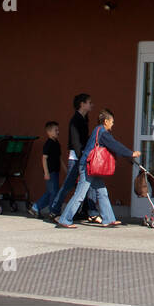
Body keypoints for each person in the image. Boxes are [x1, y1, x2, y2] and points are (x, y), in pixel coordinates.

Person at [57, 108, 140, 228]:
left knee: (102, 192)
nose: (113, 124)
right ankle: (65, 219)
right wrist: (130, 153)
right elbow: (115, 145)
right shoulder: (102, 132)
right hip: (88, 167)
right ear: (106, 121)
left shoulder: (98, 130)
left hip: (92, 167)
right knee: (80, 194)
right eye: (112, 121)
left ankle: (109, 219)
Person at [46, 93, 99, 222]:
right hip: (76, 158)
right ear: (82, 104)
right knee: (68, 185)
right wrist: (83, 157)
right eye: (89, 102)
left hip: (82, 156)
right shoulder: (75, 120)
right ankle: (54, 211)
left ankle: (89, 211)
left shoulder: (85, 119)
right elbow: (75, 142)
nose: (91, 105)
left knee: (87, 185)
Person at [29, 121, 61, 219]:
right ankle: (52, 212)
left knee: (51, 192)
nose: (58, 132)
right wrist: (46, 172)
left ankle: (35, 208)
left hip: (56, 171)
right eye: (56, 130)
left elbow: (59, 158)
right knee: (53, 192)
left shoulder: (57, 143)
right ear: (49, 132)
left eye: (58, 130)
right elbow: (44, 158)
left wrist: (66, 169)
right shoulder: (48, 143)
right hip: (50, 172)